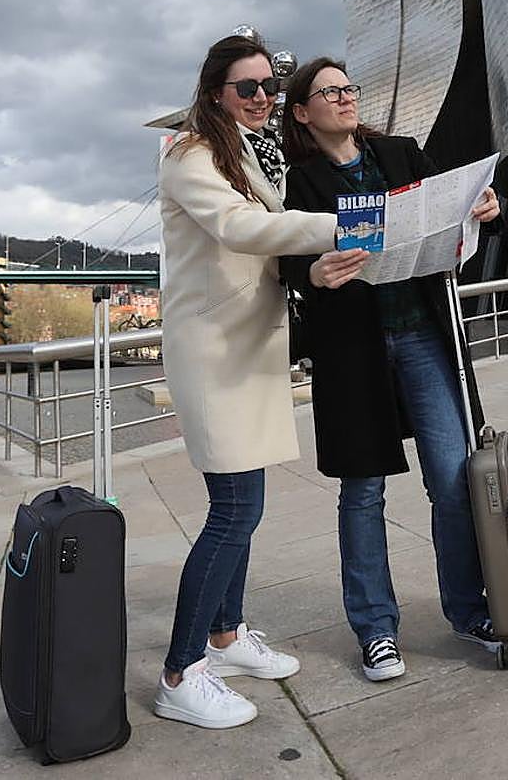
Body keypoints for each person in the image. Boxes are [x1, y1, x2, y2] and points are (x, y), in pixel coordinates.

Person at [153, 35, 363, 729]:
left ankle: (227, 633)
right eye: (248, 88)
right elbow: (245, 228)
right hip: (215, 355)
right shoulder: (188, 152)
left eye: (269, 89)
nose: (262, 99)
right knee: (234, 510)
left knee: (246, 505)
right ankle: (181, 672)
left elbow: (262, 236)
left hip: (245, 349)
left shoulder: (237, 149)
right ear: (216, 89)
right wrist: (342, 227)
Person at [279, 58, 501, 682]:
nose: (345, 99)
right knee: (363, 490)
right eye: (330, 93)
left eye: (349, 89)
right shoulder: (303, 183)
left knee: (453, 481)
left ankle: (468, 609)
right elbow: (287, 261)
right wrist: (312, 274)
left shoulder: (402, 155)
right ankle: (376, 630)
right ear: (303, 112)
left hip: (424, 334)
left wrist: (485, 207)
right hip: (354, 349)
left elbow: (455, 212)